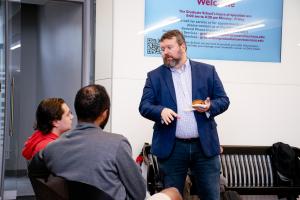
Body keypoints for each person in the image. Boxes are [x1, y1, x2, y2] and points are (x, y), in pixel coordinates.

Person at [139, 29, 230, 200]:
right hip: (172, 148)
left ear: (183, 46)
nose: (165, 52)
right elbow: (144, 106)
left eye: (169, 47)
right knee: (172, 196)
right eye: (162, 49)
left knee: (211, 196)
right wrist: (161, 111)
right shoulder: (155, 76)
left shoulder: (207, 71)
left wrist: (209, 107)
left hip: (204, 147)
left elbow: (224, 100)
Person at [34, 84, 146, 200]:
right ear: (104, 114)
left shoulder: (51, 148)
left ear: (77, 110)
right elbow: (139, 194)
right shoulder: (118, 144)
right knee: (166, 192)